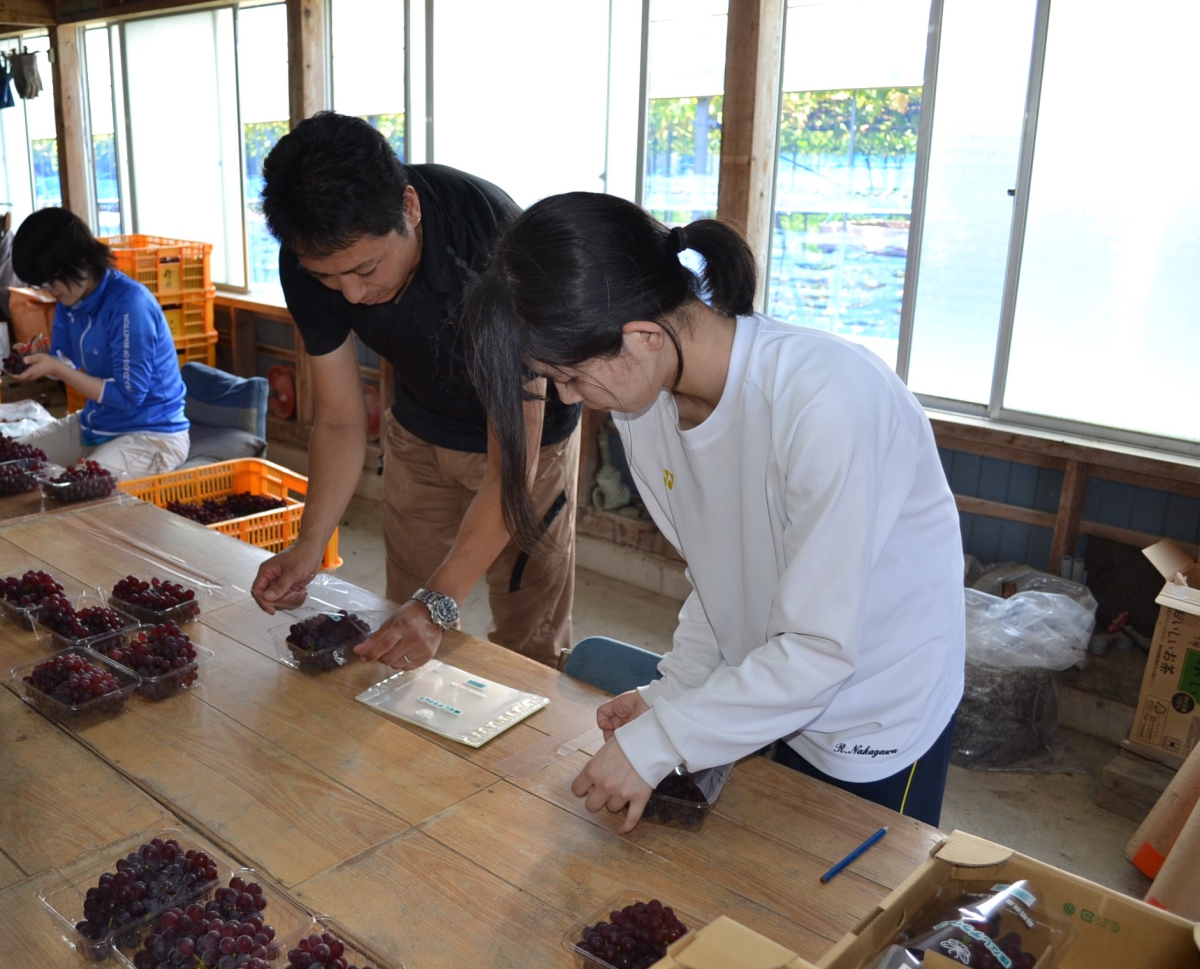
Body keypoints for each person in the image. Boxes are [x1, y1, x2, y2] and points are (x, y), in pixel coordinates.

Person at [462, 192, 966, 829]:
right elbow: (721, 577)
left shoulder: (826, 402)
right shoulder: (644, 410)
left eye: (570, 376)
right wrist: (676, 693)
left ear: (641, 336)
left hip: (876, 704)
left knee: (856, 900)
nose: (571, 399)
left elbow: (818, 650)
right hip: (776, 688)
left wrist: (666, 739)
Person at [252, 112, 582, 670]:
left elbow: (510, 470)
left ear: (410, 208)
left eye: (366, 268)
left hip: (527, 446)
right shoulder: (310, 254)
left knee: (529, 634)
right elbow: (338, 419)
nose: (352, 295)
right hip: (419, 429)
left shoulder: (494, 254)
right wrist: (311, 543)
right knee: (402, 615)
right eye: (331, 280)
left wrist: (439, 604)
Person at [10, 208, 190, 476]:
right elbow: (64, 358)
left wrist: (56, 368)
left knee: (73, 489)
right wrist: (40, 357)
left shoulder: (130, 305)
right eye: (41, 286)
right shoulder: (70, 298)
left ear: (82, 258)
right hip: (96, 425)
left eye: (50, 281)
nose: (49, 292)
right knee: (11, 461)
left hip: (152, 435)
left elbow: (128, 398)